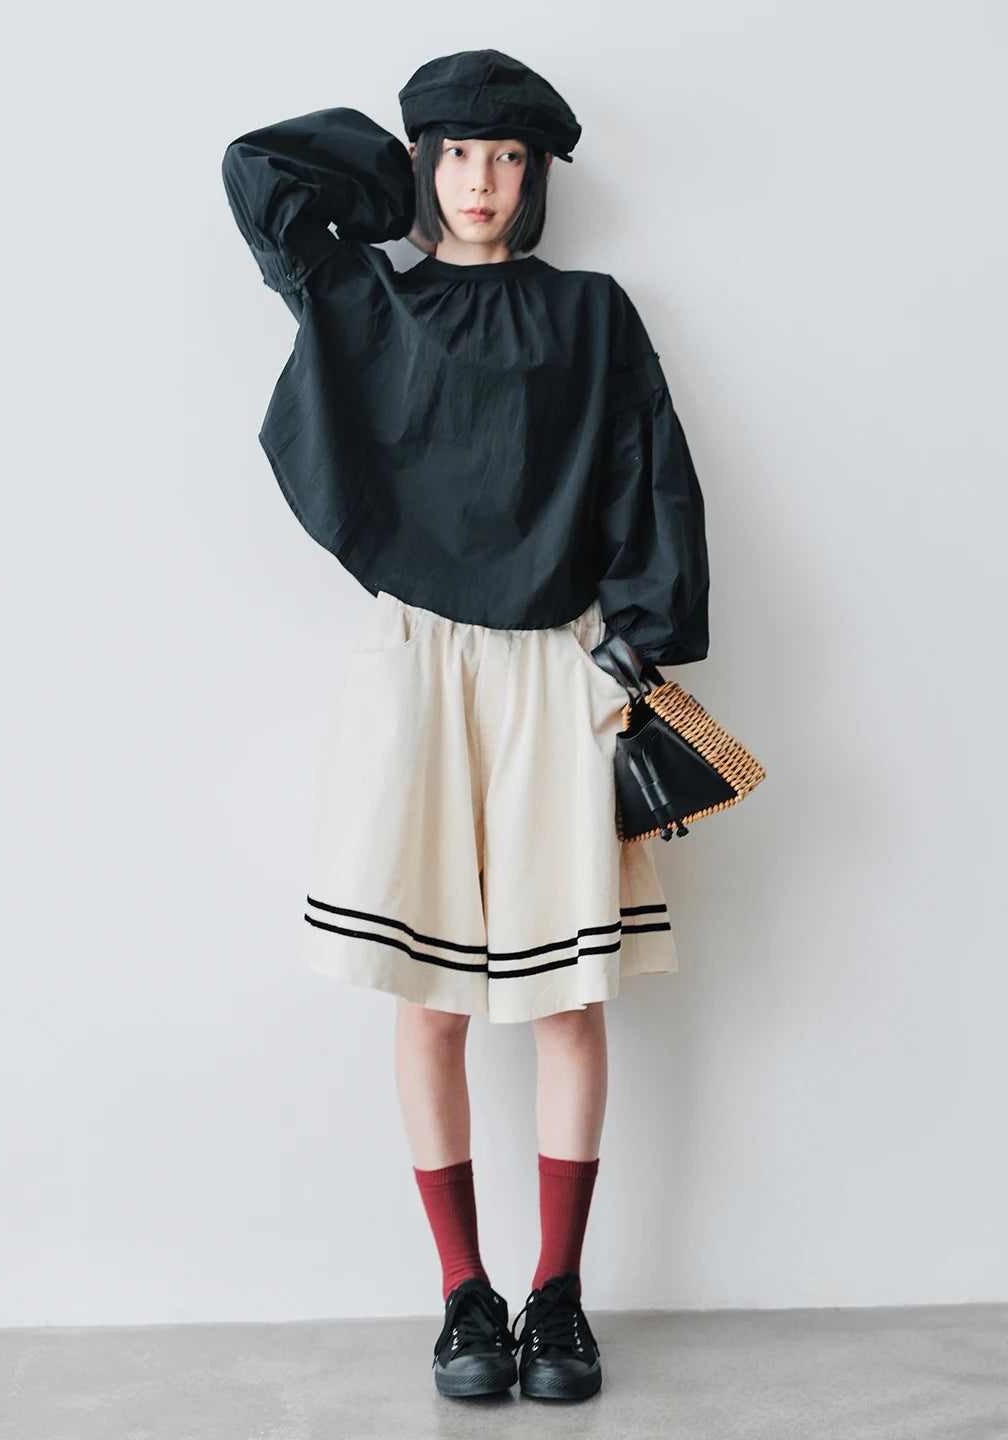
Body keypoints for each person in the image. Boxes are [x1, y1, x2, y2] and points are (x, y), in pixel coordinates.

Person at [221, 48, 710, 1403]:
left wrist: (641, 649)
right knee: (430, 998)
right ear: (423, 162)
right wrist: (387, 191)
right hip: (420, 666)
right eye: (454, 153)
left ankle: (558, 1296)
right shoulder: (370, 294)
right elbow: (260, 172)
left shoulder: (592, 313)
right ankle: (462, 1296)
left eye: (506, 156)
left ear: (536, 174)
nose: (481, 180)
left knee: (569, 994)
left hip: (561, 664)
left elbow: (652, 471)